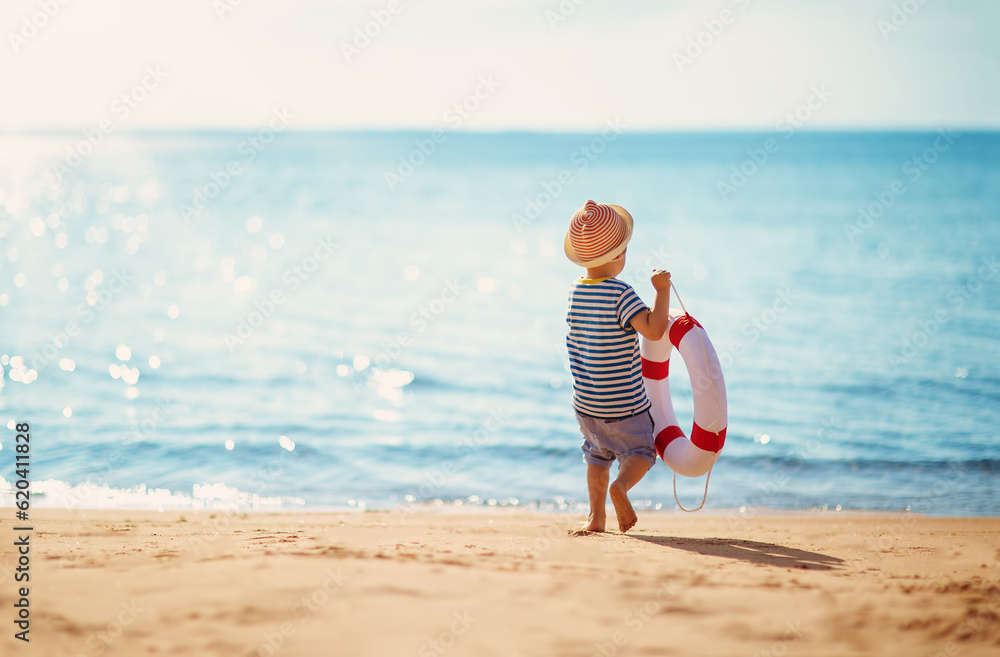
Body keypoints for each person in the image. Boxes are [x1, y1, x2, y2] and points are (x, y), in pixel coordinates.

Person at [564, 199, 671, 533]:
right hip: (624, 404)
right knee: (641, 451)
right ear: (617, 255)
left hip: (586, 405)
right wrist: (662, 291)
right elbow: (654, 328)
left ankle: (596, 518)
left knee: (596, 458)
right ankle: (621, 487)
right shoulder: (621, 293)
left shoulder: (575, 292)